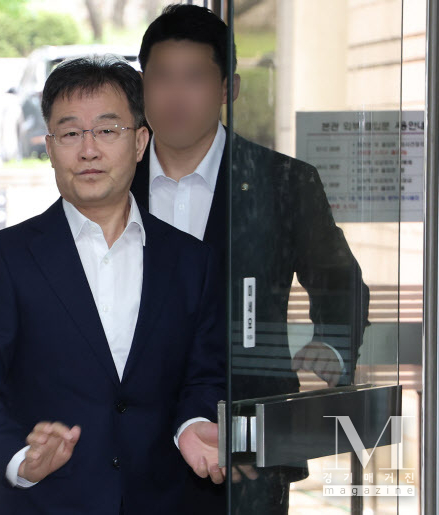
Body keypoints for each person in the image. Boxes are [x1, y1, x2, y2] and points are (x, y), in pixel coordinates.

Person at [0, 56, 227, 515]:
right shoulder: (5, 258)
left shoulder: (191, 261)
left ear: (140, 141)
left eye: (107, 130)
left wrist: (192, 423)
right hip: (40, 503)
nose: (89, 150)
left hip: (162, 500)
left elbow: (206, 374)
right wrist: (19, 457)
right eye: (71, 133)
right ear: (50, 147)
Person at [131, 4, 370, 514]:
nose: (176, 96)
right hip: (134, 437)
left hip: (247, 440)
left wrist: (330, 346)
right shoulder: (114, 182)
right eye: (162, 78)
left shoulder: (283, 182)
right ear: (142, 87)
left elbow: (340, 282)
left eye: (194, 77)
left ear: (228, 89)